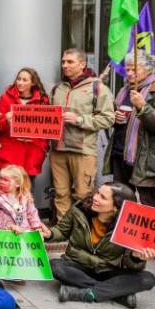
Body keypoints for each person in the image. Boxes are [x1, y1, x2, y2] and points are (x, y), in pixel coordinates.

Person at [39, 182, 155, 309]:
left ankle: (84, 293)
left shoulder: (128, 227)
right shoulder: (79, 210)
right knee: (55, 266)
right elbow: (62, 231)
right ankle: (116, 293)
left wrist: (136, 257)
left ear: (116, 207)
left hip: (107, 269)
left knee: (148, 279)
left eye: (103, 197)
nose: (95, 197)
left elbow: (130, 264)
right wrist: (49, 234)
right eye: (97, 193)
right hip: (77, 265)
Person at [48, 48, 115, 219]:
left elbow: (108, 118)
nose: (65, 65)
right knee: (61, 194)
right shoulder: (57, 89)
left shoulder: (97, 88)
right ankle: (64, 232)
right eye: (63, 61)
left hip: (83, 150)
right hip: (58, 150)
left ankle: (81, 231)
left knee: (83, 195)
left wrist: (80, 119)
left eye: (70, 62)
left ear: (82, 64)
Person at [107, 53, 155, 208]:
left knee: (148, 204)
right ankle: (122, 231)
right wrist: (114, 117)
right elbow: (117, 118)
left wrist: (142, 107)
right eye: (127, 69)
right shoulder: (125, 90)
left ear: (149, 70)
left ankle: (149, 233)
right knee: (122, 201)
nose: (129, 73)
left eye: (134, 69)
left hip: (145, 158)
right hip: (120, 154)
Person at [0, 67, 50, 178]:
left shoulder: (43, 100)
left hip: (31, 153)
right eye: (18, 79)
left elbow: (47, 128)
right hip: (9, 151)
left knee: (27, 190)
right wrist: (6, 120)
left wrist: (43, 147)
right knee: (7, 189)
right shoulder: (5, 98)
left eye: (25, 80)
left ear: (33, 82)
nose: (20, 82)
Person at [0, 164, 50, 236]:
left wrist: (37, 229)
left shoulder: (25, 197)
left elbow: (32, 214)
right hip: (4, 234)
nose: (1, 182)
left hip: (24, 233)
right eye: (0, 178)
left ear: (17, 184)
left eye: (5, 180)